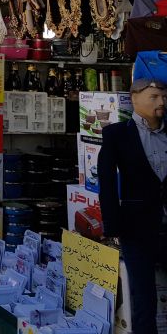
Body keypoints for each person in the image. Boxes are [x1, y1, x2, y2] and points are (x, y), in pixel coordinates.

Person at [99, 78, 167, 334]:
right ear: (135, 99)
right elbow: (106, 182)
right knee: (143, 298)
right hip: (137, 227)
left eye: (164, 96)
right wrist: (112, 224)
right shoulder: (117, 135)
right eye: (154, 96)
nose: (161, 102)